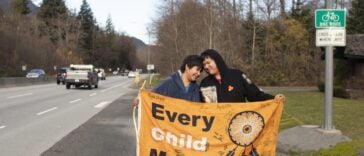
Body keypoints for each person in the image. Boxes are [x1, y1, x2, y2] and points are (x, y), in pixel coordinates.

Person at [199, 49, 285, 103]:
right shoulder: (205, 83)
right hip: (216, 126)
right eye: (204, 65)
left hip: (238, 125)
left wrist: (273, 98)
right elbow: (199, 106)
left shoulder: (237, 76)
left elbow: (255, 95)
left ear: (217, 60)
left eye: (208, 63)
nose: (206, 67)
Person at [133, 55, 203, 106]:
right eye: (197, 70)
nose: (199, 73)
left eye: (200, 71)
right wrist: (140, 100)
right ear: (187, 67)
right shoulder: (168, 83)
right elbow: (151, 96)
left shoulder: (197, 89)